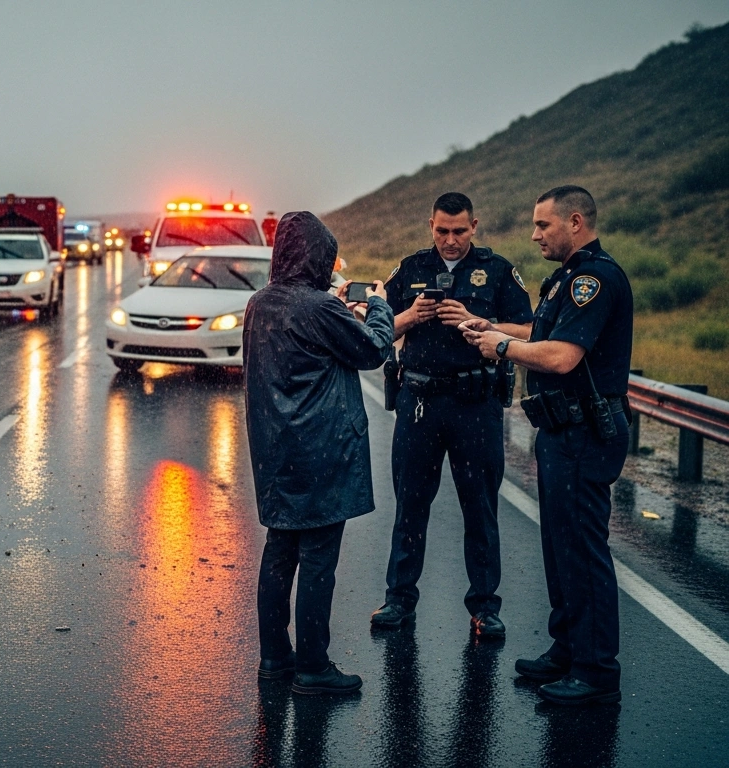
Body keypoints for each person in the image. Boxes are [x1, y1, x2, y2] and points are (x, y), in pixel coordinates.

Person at [462, 185, 632, 706]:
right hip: (561, 430)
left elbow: (561, 356)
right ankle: (568, 649)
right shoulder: (563, 278)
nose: (535, 234)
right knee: (559, 548)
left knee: (581, 548)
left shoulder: (592, 280)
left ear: (575, 222)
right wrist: (492, 329)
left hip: (585, 431)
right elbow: (540, 335)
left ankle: (596, 670)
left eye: (543, 225)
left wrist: (502, 347)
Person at [243, 211, 394, 695]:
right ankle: (313, 667)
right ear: (318, 258)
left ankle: (274, 658)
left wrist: (337, 308)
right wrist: (378, 306)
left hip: (274, 449)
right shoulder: (320, 308)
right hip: (322, 449)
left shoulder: (259, 303)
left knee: (279, 551)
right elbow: (373, 350)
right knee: (318, 559)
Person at [371, 193, 533, 638]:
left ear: (474, 226)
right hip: (419, 401)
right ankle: (398, 599)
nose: (450, 240)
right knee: (410, 505)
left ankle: (485, 607)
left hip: (475, 403)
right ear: (431, 226)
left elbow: (530, 330)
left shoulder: (497, 271)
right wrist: (411, 315)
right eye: (442, 231)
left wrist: (482, 321)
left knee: (479, 508)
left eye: (459, 231)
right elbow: (378, 328)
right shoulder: (411, 268)